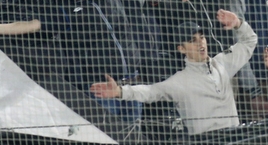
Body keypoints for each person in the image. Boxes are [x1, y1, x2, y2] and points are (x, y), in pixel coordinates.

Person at [90, 10, 257, 135]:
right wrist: (120, 91)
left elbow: (249, 41)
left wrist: (238, 24)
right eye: (192, 41)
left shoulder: (223, 63)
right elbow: (150, 92)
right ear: (181, 49)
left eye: (202, 37)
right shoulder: (180, 81)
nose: (201, 43)